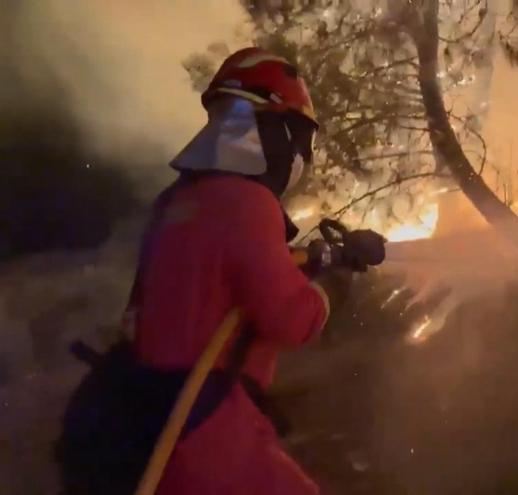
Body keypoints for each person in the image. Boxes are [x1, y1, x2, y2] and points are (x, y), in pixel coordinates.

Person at [57, 47, 378, 495]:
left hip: (147, 422)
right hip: (208, 428)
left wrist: (321, 256)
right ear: (274, 129)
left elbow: (222, 277)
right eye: (299, 135)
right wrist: (337, 287)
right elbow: (288, 317)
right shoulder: (249, 203)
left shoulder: (176, 201)